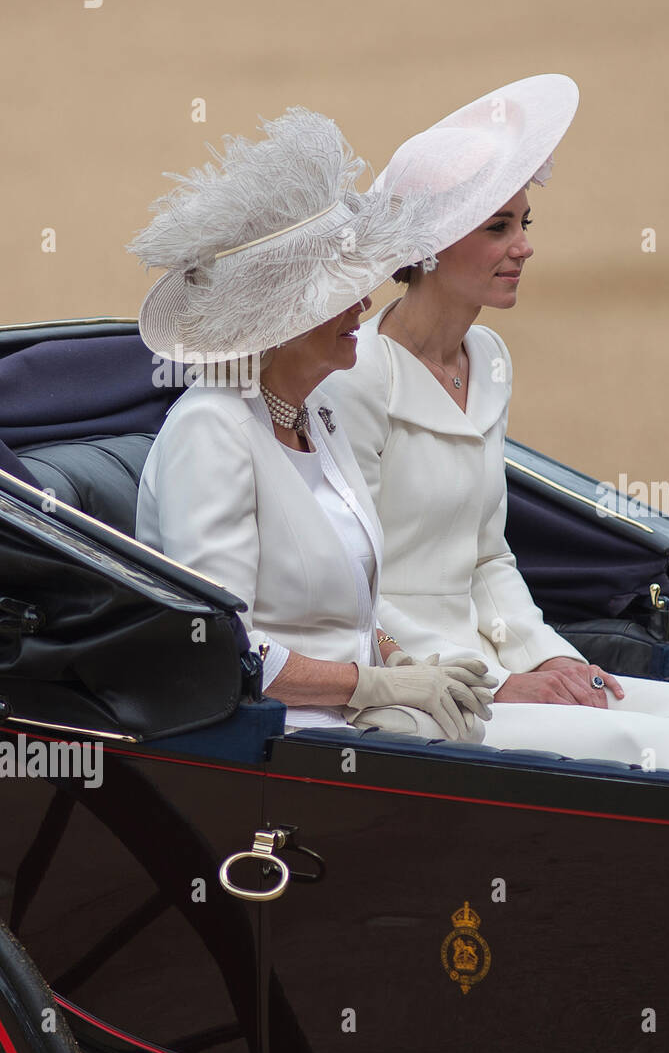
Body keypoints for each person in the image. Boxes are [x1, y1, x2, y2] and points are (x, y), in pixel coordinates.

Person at [326, 75, 669, 780]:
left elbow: (489, 558)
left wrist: (553, 658)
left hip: (496, 662)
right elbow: (348, 583)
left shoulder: (488, 359)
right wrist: (501, 684)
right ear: (432, 247)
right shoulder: (358, 375)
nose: (523, 246)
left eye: (525, 223)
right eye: (497, 227)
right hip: (417, 690)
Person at [130, 108, 495, 739]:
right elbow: (226, 644)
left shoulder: (316, 412)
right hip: (270, 737)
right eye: (340, 294)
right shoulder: (211, 432)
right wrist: (373, 685)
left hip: (345, 721)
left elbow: (345, 607)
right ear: (280, 321)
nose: (364, 303)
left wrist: (395, 656)